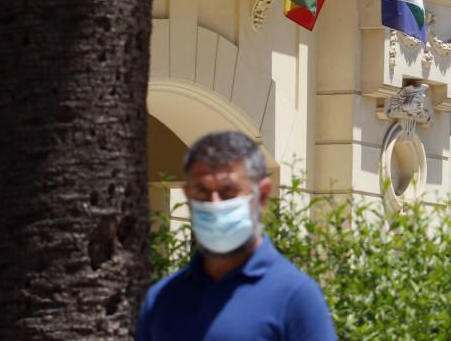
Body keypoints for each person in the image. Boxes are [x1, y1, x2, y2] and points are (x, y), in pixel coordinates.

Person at [138, 131, 336, 340]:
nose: (214, 204)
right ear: (187, 195)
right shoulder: (162, 298)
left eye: (228, 192)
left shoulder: (295, 296)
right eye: (202, 192)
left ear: (262, 195)